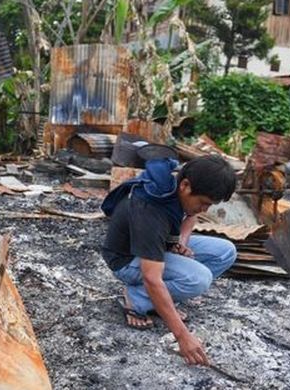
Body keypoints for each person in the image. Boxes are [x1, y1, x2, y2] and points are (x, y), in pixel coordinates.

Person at [101, 155, 237, 366]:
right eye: (203, 203)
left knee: (225, 252)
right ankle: (136, 297)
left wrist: (180, 241)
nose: (204, 210)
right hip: (127, 260)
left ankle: (157, 301)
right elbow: (152, 277)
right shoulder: (151, 211)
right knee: (199, 279)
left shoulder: (178, 179)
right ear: (185, 186)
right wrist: (182, 336)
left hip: (157, 246)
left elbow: (190, 215)